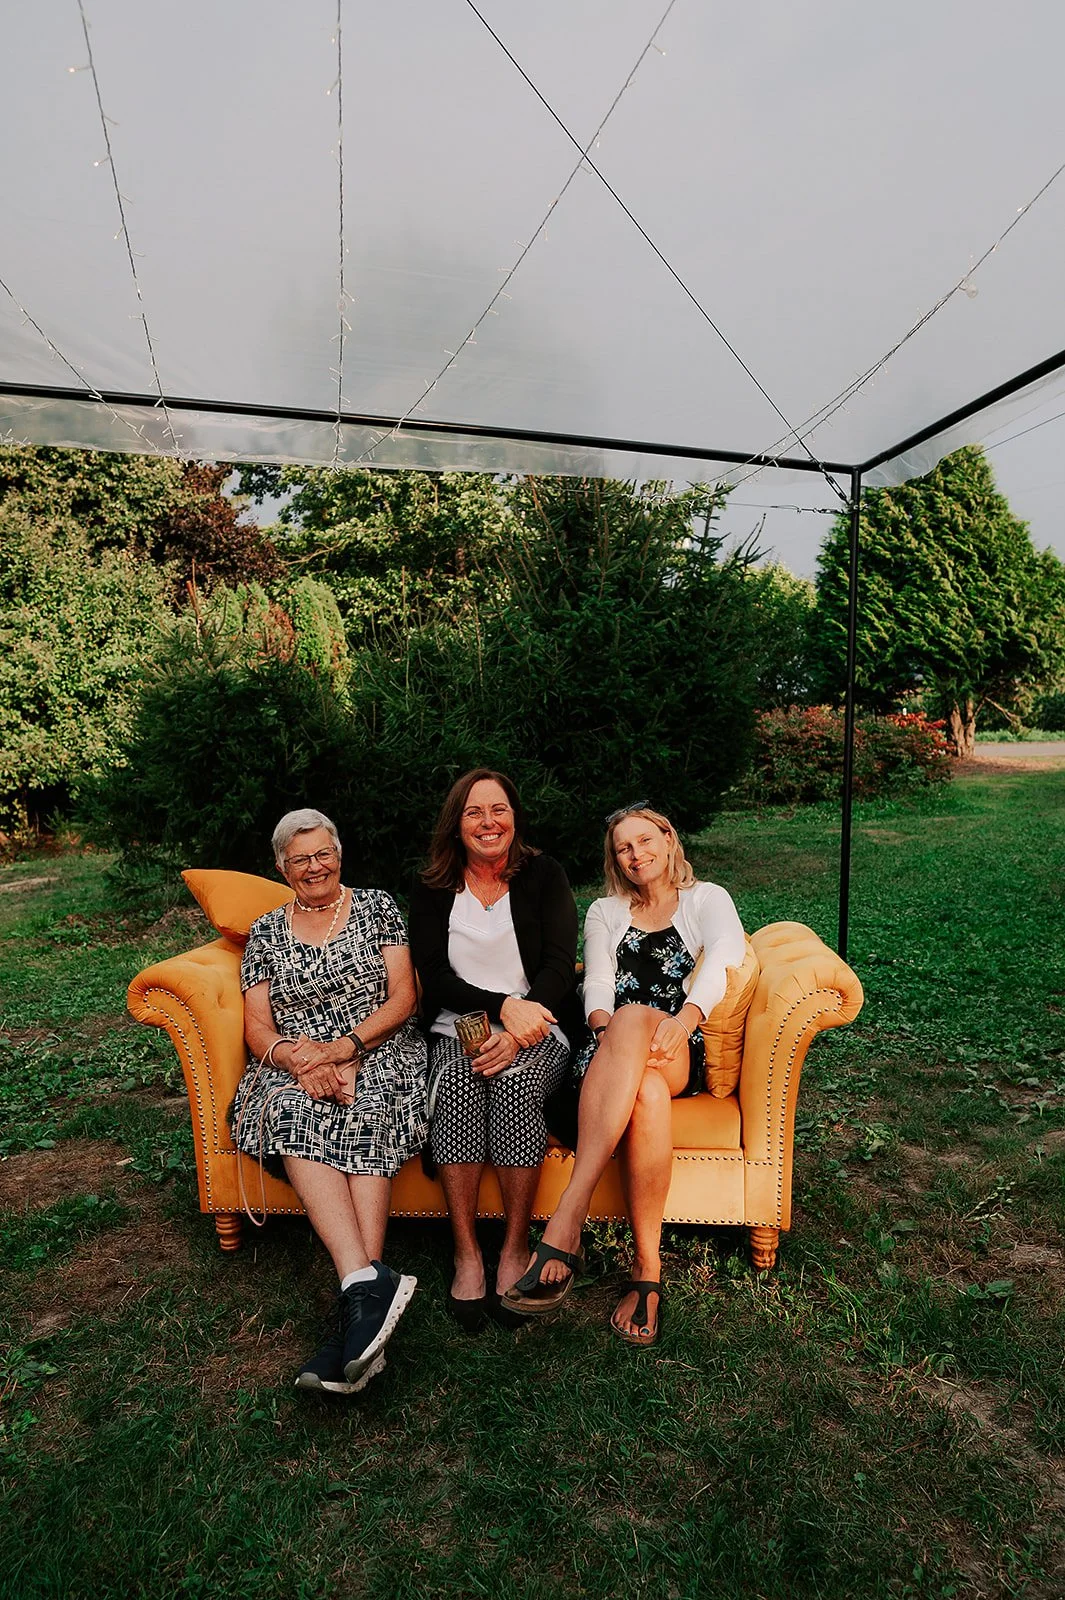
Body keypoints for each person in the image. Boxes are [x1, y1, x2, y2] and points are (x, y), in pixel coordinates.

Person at [503, 803, 745, 1346]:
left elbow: (727, 953)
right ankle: (647, 1272)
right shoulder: (605, 911)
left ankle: (568, 1218)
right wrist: (613, 1036)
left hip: (679, 1042)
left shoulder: (706, 899)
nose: (636, 855)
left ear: (667, 837)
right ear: (616, 860)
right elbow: (598, 990)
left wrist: (685, 1019)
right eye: (623, 849)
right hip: (612, 1049)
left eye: (644, 841)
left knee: (642, 1028)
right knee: (648, 1095)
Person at [231, 807, 427, 1395]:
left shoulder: (375, 906)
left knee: (368, 1107)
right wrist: (297, 1059)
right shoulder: (266, 930)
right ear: (281, 867)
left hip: (379, 1048)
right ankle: (366, 1293)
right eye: (301, 859)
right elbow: (257, 1027)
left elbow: (403, 999)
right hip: (298, 1063)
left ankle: (352, 1317)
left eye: (324, 854)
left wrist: (345, 1049)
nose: (315, 867)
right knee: (293, 1110)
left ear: (339, 854)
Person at [409, 769, 579, 1328]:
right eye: (474, 813)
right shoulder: (434, 886)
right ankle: (465, 1252)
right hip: (462, 1023)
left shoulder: (544, 874)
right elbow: (432, 975)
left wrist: (519, 1024)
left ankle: (512, 1248)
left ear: (515, 816)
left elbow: (558, 964)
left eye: (499, 809)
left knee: (515, 1083)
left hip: (538, 1022)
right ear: (456, 825)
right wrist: (501, 1006)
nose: (489, 822)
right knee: (458, 1085)